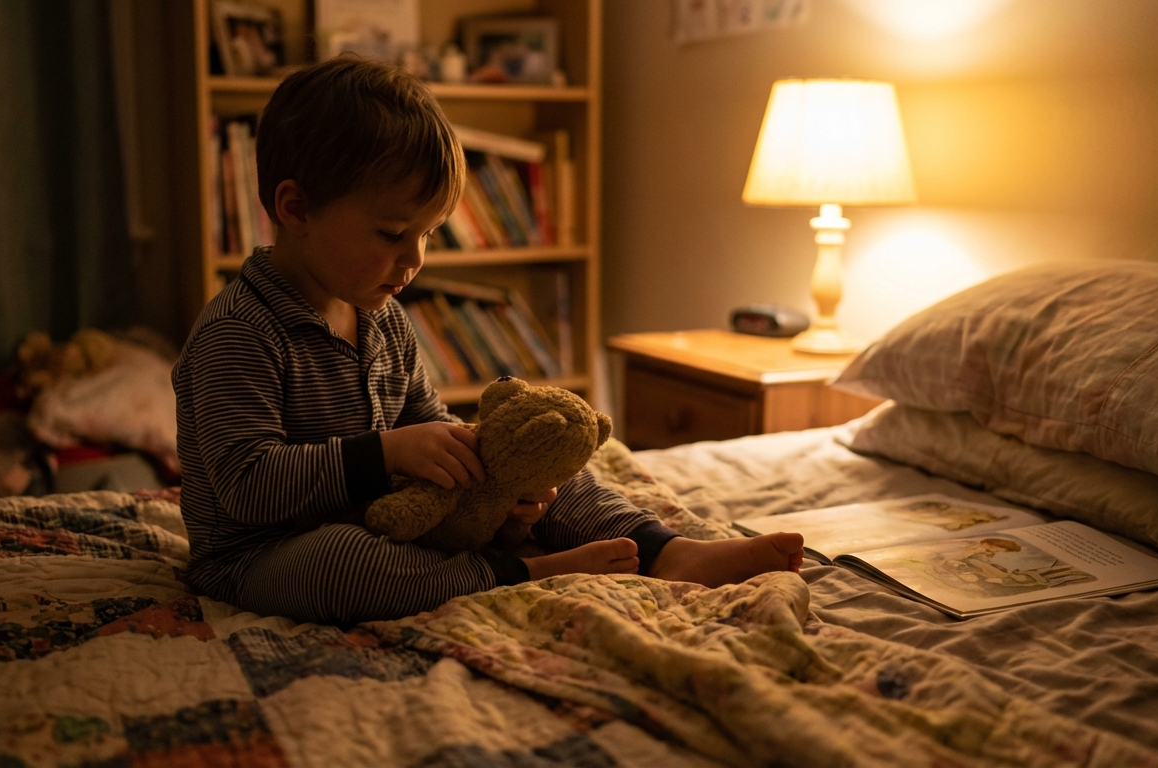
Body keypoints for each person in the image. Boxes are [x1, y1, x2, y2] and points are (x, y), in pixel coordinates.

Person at [172, 56, 804, 625]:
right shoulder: (239, 331)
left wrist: (498, 490)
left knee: (552, 465)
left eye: (428, 234)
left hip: (394, 517)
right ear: (296, 209)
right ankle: (520, 574)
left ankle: (665, 550)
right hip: (263, 550)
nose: (414, 260)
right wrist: (387, 453)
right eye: (393, 233)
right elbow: (247, 484)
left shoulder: (381, 315)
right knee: (341, 561)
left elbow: (428, 427)